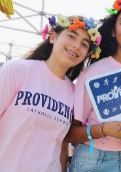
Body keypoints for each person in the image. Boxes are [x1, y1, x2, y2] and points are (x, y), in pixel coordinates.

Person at [0, 15, 101, 171]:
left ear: (87, 54)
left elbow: (61, 144)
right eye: (72, 36)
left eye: (84, 44)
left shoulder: (74, 93)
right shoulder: (17, 70)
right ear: (53, 36)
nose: (76, 46)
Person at [66, 0, 121, 171]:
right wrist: (104, 129)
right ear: (114, 31)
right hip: (92, 160)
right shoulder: (93, 72)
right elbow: (70, 132)